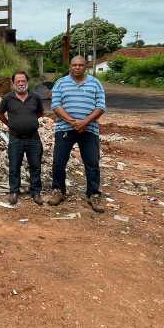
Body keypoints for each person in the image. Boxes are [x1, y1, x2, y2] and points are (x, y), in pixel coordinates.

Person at [47, 55, 107, 212]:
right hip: (65, 129)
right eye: (74, 65)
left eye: (81, 65)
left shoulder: (95, 83)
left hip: (89, 129)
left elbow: (100, 106)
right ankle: (58, 191)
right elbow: (56, 105)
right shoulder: (60, 83)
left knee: (92, 163)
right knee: (59, 162)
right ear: (70, 66)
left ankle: (93, 194)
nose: (77, 67)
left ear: (85, 66)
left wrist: (84, 122)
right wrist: (73, 122)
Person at [0, 71, 44, 206]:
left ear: (27, 82)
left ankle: (36, 192)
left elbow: (40, 112)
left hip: (33, 138)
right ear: (13, 83)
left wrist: (30, 121)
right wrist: (10, 124)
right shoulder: (8, 98)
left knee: (35, 166)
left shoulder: (35, 97)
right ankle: (14, 192)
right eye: (18, 81)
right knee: (14, 166)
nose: (21, 83)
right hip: (15, 138)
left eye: (23, 81)